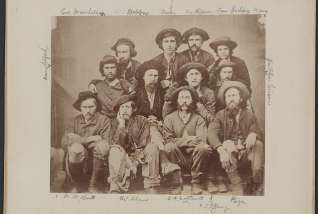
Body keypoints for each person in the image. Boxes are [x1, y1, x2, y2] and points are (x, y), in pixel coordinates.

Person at [107, 94, 180, 193]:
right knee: (115, 150)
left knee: (152, 147)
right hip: (123, 157)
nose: (124, 110)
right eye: (122, 107)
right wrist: (121, 126)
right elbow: (115, 144)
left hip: (140, 156)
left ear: (133, 109)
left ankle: (151, 186)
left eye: (127, 107)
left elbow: (144, 142)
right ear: (118, 110)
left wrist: (136, 161)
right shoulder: (113, 123)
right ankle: (116, 188)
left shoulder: (141, 120)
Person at [207, 81, 264, 195]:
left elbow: (258, 130)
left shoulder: (249, 114)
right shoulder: (220, 115)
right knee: (227, 143)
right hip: (229, 154)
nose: (231, 99)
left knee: (258, 144)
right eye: (228, 96)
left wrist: (253, 134)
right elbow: (211, 133)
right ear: (225, 100)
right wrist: (220, 149)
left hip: (247, 152)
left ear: (241, 99)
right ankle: (236, 183)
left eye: (234, 95)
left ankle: (256, 182)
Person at [162, 86, 214, 194]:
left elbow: (201, 140)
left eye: (187, 98)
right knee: (169, 147)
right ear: (177, 100)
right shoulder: (169, 118)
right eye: (181, 98)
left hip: (195, 158)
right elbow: (168, 140)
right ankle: (176, 181)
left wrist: (180, 141)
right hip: (177, 158)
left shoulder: (199, 119)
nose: (184, 101)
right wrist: (188, 140)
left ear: (192, 101)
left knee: (204, 148)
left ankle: (196, 182)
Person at [61, 91, 111, 193]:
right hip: (78, 157)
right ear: (80, 107)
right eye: (84, 107)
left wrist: (78, 139)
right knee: (76, 148)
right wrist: (89, 139)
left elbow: (106, 141)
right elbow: (64, 142)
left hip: (97, 157)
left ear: (96, 107)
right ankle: (77, 184)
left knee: (102, 146)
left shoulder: (103, 120)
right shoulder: (73, 121)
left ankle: (94, 185)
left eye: (91, 107)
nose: (88, 110)